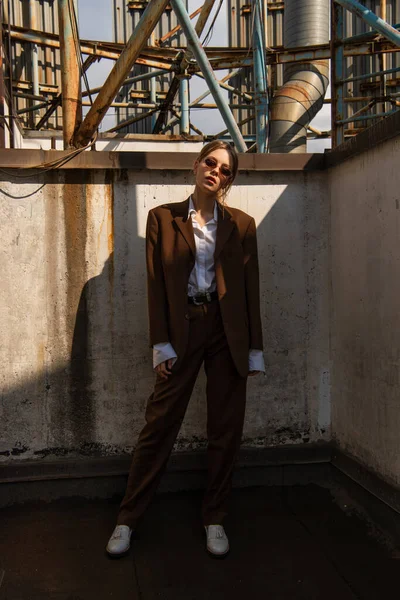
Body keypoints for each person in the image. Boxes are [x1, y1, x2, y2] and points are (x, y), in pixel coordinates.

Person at [106, 140, 265, 558]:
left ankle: (215, 518)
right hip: (183, 328)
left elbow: (251, 290)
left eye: (225, 169)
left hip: (227, 331)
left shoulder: (243, 225)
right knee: (159, 426)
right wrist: (161, 344)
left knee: (225, 428)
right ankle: (127, 519)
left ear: (229, 180)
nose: (216, 171)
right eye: (210, 162)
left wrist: (254, 351)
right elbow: (156, 285)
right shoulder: (163, 219)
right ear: (196, 166)